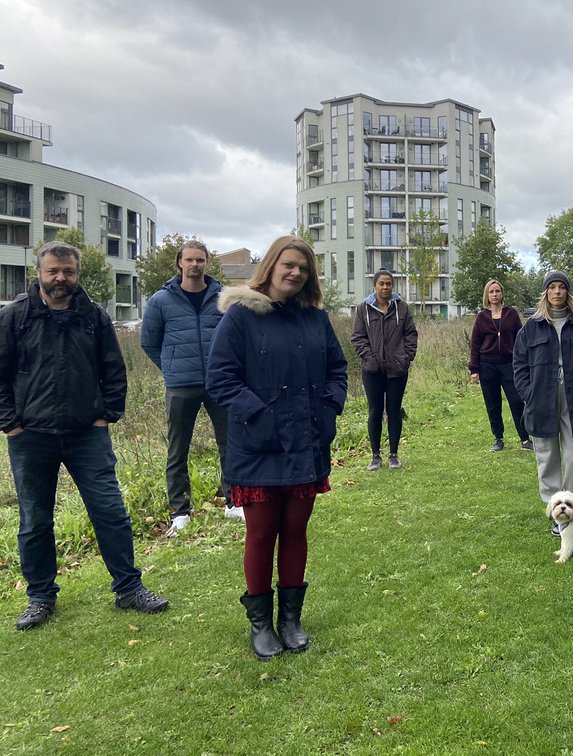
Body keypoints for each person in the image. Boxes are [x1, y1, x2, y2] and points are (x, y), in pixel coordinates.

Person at [0, 242, 169, 631]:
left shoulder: (92, 316)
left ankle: (129, 588)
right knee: (35, 521)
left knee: (110, 512)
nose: (60, 278)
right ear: (39, 273)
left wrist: (106, 415)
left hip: (86, 434)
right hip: (30, 437)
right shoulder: (15, 317)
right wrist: (10, 424)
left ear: (77, 274)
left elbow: (113, 369)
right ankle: (40, 597)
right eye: (53, 271)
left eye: (68, 271)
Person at [207, 236, 347, 659]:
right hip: (258, 445)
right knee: (261, 534)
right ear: (270, 266)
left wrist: (329, 408)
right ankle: (261, 624)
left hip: (306, 441)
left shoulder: (315, 319)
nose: (295, 272)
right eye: (288, 264)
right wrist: (260, 414)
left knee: (296, 531)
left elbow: (337, 369)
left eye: (303, 267)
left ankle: (290, 619)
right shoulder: (241, 317)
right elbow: (220, 378)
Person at [140, 239, 238, 536]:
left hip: (218, 383)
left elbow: (235, 337)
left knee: (230, 444)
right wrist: (171, 368)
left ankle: (234, 502)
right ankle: (180, 512)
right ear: (179, 263)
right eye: (190, 260)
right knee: (177, 449)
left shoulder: (223, 297)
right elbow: (149, 342)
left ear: (206, 263)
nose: (195, 264)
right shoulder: (160, 300)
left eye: (200, 260)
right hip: (181, 386)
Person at [512, 271, 573, 536]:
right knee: (547, 458)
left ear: (568, 293)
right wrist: (528, 393)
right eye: (552, 287)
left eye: (562, 287)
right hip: (541, 398)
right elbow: (519, 364)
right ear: (546, 293)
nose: (557, 292)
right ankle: (556, 513)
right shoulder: (531, 327)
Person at [351, 269, 417, 471]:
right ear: (374, 286)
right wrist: (370, 358)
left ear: (392, 286)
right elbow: (358, 337)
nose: (385, 287)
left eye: (388, 284)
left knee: (394, 410)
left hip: (397, 369)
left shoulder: (402, 308)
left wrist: (406, 358)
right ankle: (375, 456)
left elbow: (411, 334)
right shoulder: (363, 309)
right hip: (372, 371)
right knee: (375, 411)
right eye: (381, 284)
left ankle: (394, 455)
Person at [468, 279, 531, 452]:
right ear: (487, 295)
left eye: (497, 291)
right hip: (487, 365)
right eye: (491, 292)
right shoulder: (482, 318)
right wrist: (474, 369)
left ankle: (525, 438)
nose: (494, 294)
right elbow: (475, 344)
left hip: (509, 365)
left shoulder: (512, 314)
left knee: (517, 401)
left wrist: (524, 362)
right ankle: (498, 439)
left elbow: (521, 339)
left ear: (502, 294)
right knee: (493, 403)